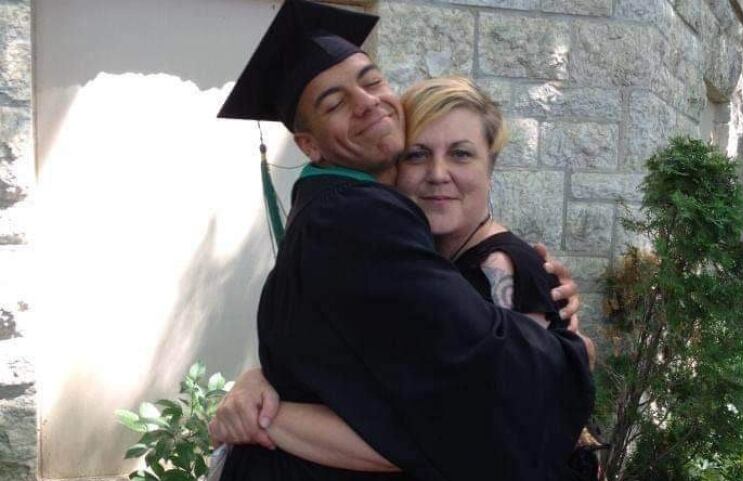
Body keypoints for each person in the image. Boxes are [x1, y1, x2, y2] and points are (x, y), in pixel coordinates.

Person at [214, 1, 594, 480]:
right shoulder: (358, 220)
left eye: (371, 81)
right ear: (310, 145)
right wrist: (573, 350)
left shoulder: (338, 214)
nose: (367, 101)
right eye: (333, 103)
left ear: (491, 168)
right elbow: (467, 413)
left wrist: (267, 396)